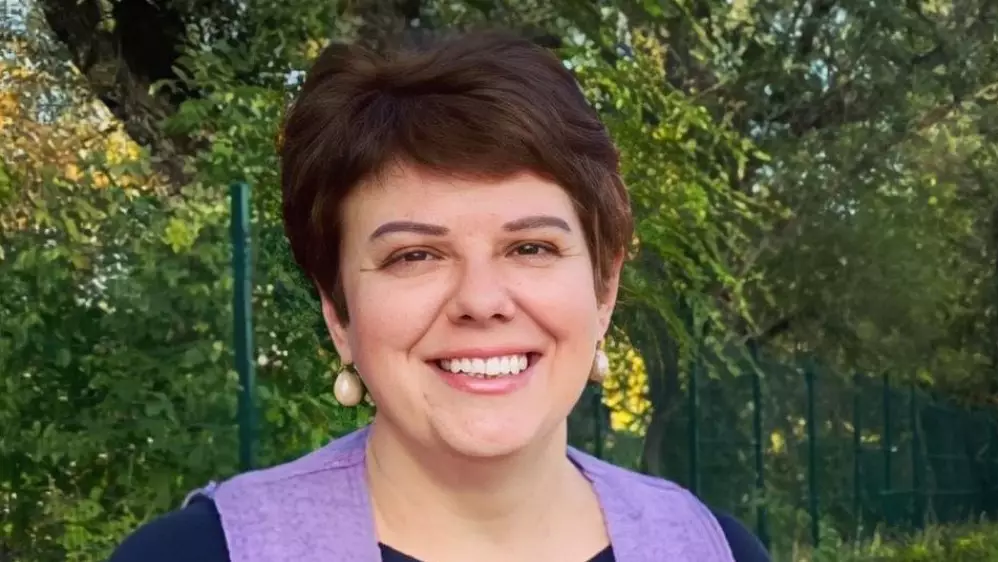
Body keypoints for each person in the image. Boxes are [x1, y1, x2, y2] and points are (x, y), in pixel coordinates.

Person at [109, 30, 770, 562]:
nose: (481, 300)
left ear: (604, 289)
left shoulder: (717, 550)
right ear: (338, 313)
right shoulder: (193, 555)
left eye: (531, 248)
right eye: (415, 256)